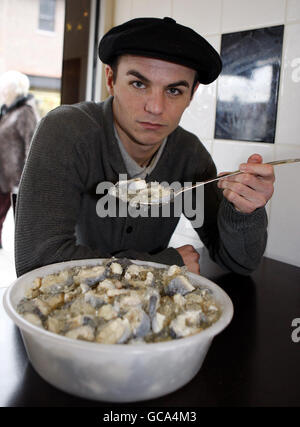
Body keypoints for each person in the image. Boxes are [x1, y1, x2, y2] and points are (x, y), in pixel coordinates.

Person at [15, 17, 275, 277]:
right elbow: (36, 261)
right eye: (139, 84)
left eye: (174, 91)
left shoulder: (190, 156)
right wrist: (163, 264)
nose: (155, 108)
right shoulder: (67, 132)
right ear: (110, 79)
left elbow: (241, 263)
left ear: (191, 94)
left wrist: (244, 211)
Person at [0, 70, 39, 249]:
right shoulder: (8, 111)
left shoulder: (25, 112)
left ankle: (26, 256)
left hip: (17, 178)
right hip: (4, 176)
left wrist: (27, 176)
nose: (2, 92)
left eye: (5, 89)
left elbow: (31, 144)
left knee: (22, 224)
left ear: (14, 90)